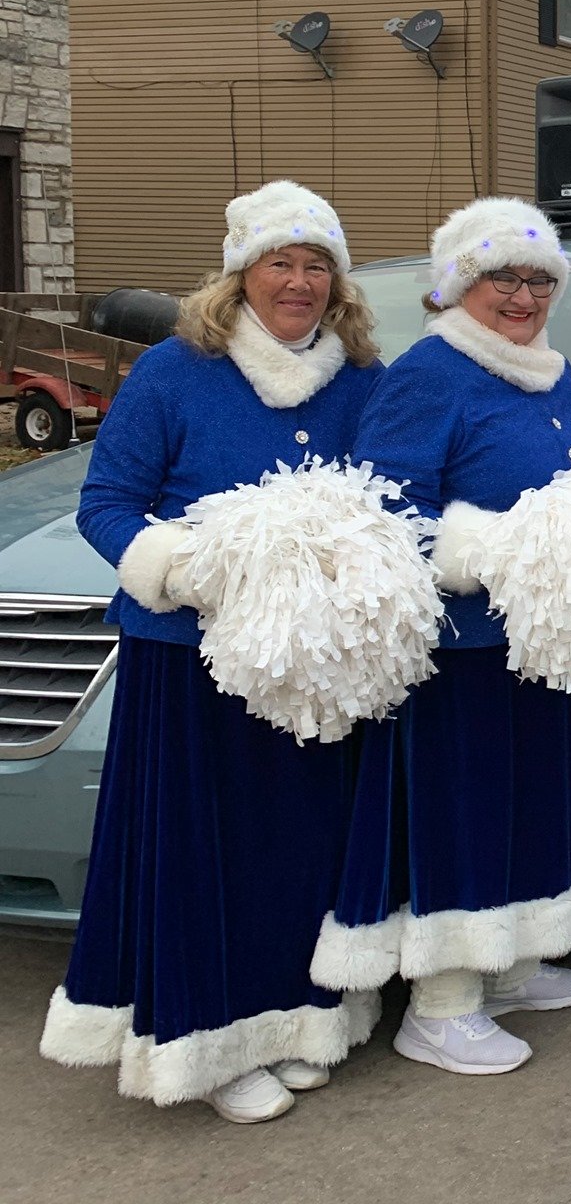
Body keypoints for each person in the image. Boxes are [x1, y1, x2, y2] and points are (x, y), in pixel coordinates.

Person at [42, 181, 382, 1123]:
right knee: (211, 850)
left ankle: (307, 1019)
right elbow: (105, 505)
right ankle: (213, 1039)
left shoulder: (359, 377)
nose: (300, 283)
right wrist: (201, 569)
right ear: (240, 275)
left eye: (318, 266)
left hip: (314, 660)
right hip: (190, 657)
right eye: (282, 262)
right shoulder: (172, 370)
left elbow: (387, 497)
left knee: (305, 842)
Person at [313, 198, 571, 1078]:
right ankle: (442, 1005)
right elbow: (385, 503)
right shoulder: (431, 372)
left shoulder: (550, 370)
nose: (521, 298)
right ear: (459, 287)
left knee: (530, 800)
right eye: (500, 280)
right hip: (462, 642)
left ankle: (512, 960)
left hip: (546, 638)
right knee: (463, 810)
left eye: (537, 280)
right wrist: (491, 550)